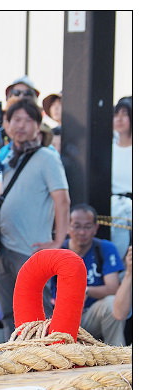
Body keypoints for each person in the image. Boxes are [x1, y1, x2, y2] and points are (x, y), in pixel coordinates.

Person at [0, 98, 70, 335]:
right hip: (4, 249)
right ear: (6, 124)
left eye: (28, 120)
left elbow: (62, 200)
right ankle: (13, 364)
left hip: (32, 250)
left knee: (39, 317)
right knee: (8, 315)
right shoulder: (7, 158)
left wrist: (58, 241)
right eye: (16, 119)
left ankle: (43, 366)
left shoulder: (47, 157)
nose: (21, 125)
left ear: (39, 125)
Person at [53, 204, 125, 346]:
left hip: (90, 315)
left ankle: (118, 355)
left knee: (112, 303)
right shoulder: (57, 251)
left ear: (95, 228)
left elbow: (113, 288)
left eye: (87, 227)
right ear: (67, 227)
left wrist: (85, 290)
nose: (82, 232)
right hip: (59, 317)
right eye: (77, 226)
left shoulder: (105, 248)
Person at [111, 96, 132, 261]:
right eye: (116, 114)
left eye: (124, 114)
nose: (119, 119)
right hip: (114, 210)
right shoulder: (108, 149)